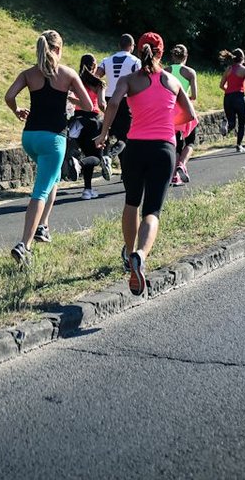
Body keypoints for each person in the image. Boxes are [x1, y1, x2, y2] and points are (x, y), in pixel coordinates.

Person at [96, 33, 195, 296]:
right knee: (153, 210)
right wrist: (167, 121)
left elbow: (113, 102)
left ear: (139, 52)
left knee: (132, 202)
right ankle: (141, 253)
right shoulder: (172, 80)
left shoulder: (129, 80)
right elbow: (190, 115)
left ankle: (130, 256)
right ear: (161, 53)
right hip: (164, 149)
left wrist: (104, 133)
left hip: (135, 147)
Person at [5, 30, 94, 267]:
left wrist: (17, 111)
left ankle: (43, 226)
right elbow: (88, 105)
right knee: (40, 192)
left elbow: (9, 96)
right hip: (54, 138)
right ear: (58, 49)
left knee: (52, 177)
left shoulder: (29, 73)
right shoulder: (67, 74)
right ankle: (25, 245)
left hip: (30, 137)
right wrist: (69, 98)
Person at [98, 34, 141, 174]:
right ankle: (110, 157)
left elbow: (96, 77)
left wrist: (100, 92)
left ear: (119, 45)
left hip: (110, 99)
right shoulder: (135, 61)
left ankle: (123, 169)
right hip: (127, 100)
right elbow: (140, 81)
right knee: (125, 137)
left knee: (113, 133)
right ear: (132, 46)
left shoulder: (106, 60)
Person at [71, 54, 106, 199]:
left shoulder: (75, 81)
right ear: (94, 66)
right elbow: (102, 104)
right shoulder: (99, 83)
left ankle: (87, 189)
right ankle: (79, 165)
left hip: (76, 122)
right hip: (93, 121)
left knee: (87, 153)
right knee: (96, 157)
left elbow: (71, 98)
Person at [165, 45, 198, 185]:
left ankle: (173, 176)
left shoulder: (165, 71)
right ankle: (182, 165)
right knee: (190, 141)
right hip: (185, 109)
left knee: (175, 144)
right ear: (186, 56)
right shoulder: (190, 72)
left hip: (170, 110)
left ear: (173, 56)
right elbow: (194, 96)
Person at [218, 49, 245, 152]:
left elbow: (221, 85)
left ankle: (226, 127)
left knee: (231, 122)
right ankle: (239, 145)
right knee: (241, 123)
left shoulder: (228, 69)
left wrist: (228, 90)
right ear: (243, 58)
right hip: (240, 98)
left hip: (228, 98)